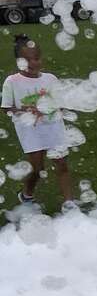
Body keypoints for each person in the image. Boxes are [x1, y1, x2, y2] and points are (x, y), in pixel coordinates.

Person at [2, 35, 75, 209]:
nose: (34, 63)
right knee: (37, 169)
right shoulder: (12, 82)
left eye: (36, 58)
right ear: (19, 61)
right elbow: (6, 107)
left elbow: (60, 103)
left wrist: (55, 107)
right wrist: (24, 111)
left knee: (62, 164)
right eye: (28, 60)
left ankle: (70, 203)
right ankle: (27, 194)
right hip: (30, 130)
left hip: (53, 126)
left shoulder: (50, 79)